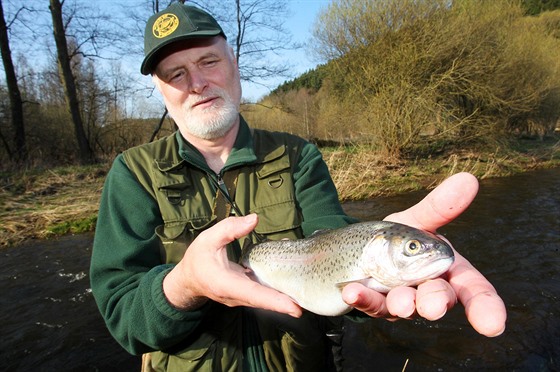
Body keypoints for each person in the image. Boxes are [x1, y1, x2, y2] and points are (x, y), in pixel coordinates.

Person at [90, 2, 507, 371]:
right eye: (175, 73)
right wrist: (185, 285)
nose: (196, 82)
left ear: (233, 63)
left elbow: (333, 249)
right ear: (160, 90)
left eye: (208, 62)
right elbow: (124, 318)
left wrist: (385, 264)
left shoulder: (298, 156)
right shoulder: (132, 173)